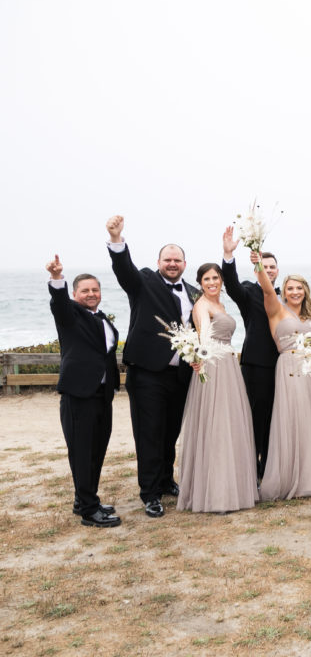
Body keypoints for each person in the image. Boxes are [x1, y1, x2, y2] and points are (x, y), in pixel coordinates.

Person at [105, 215, 198, 518]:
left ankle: (165, 479)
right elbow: (124, 271)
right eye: (168, 259)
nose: (173, 264)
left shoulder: (195, 293)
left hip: (182, 374)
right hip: (147, 373)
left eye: (178, 260)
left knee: (171, 431)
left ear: (185, 263)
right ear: (159, 262)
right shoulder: (144, 281)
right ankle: (150, 493)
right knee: (149, 432)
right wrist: (117, 241)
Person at [254, 253, 311, 501]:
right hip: (291, 367)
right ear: (283, 292)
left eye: (299, 288)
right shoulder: (276, 310)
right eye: (290, 288)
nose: (295, 292)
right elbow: (265, 289)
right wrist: (257, 262)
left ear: (305, 291)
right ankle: (298, 476)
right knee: (296, 419)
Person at [176, 263, 259, 513]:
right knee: (218, 425)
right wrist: (199, 355)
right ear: (200, 282)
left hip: (229, 365)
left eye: (215, 277)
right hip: (213, 366)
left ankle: (234, 484)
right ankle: (217, 493)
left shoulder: (222, 305)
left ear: (221, 280)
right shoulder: (202, 305)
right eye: (206, 279)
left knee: (231, 423)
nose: (212, 282)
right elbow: (203, 332)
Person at [46, 255, 122, 528]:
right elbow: (59, 304)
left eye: (95, 290)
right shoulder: (70, 314)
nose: (91, 294)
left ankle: (84, 499)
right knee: (81, 451)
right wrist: (57, 279)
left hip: (102, 394)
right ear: (75, 294)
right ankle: (90, 511)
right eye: (85, 290)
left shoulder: (101, 318)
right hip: (79, 394)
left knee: (97, 449)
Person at [220, 227, 281, 481]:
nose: (268, 270)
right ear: (257, 269)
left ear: (278, 270)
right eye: (264, 267)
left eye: (272, 267)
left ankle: (272, 467)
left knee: (278, 418)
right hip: (257, 365)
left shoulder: (286, 294)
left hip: (284, 365)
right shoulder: (248, 291)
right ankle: (252, 471)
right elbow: (231, 286)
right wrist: (228, 255)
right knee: (256, 418)